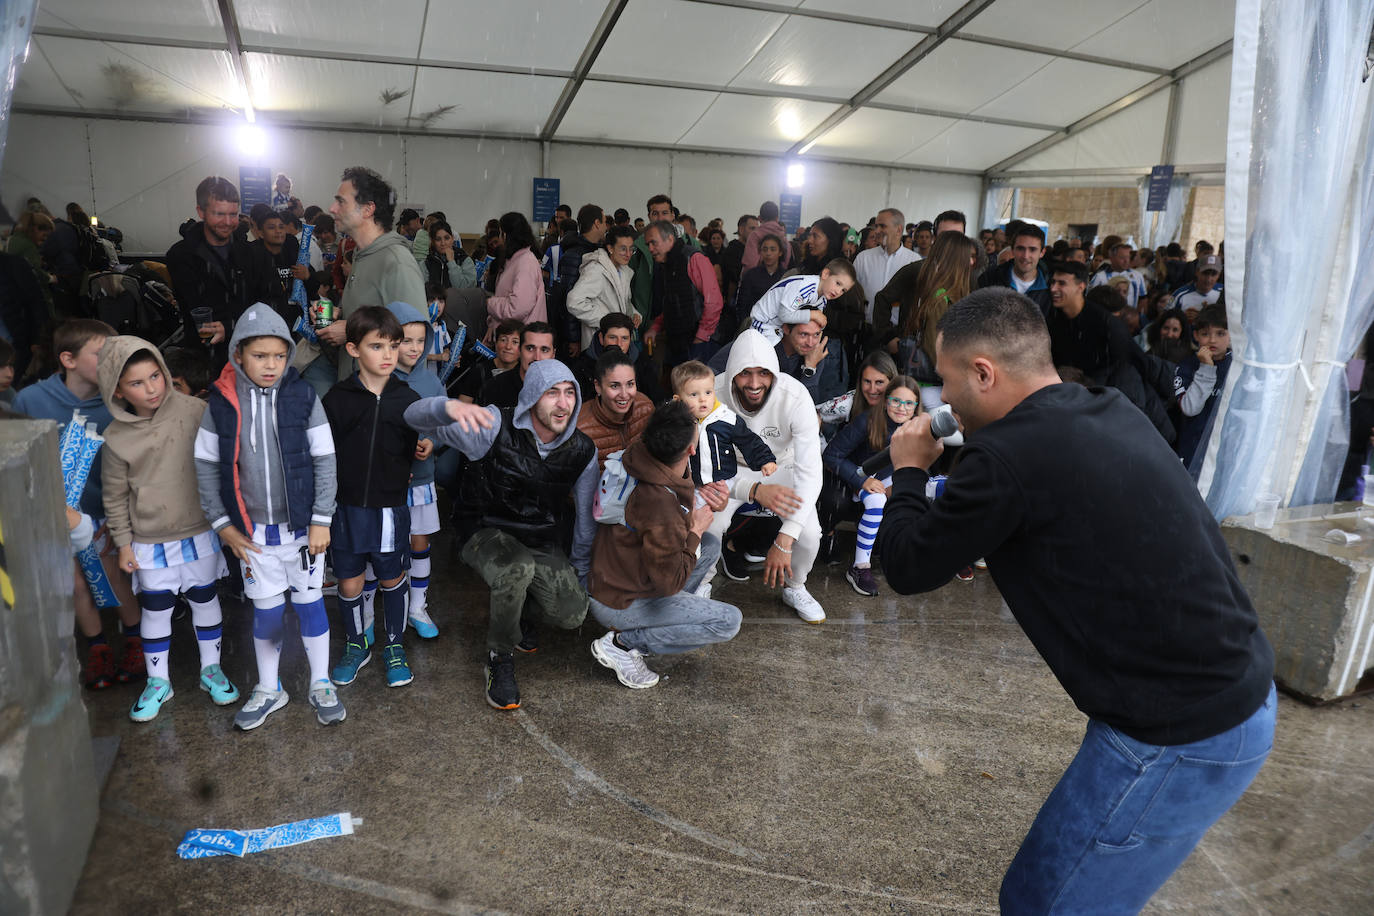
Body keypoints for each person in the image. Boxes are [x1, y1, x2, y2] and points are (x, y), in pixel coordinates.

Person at [875, 287, 1275, 913]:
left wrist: (908, 468)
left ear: (984, 373)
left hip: (1181, 729)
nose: (943, 399)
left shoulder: (1003, 459)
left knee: (1046, 904)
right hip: (1232, 687)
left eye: (948, 382)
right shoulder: (1106, 405)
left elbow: (903, 564)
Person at [404, 359, 598, 711]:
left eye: (570, 393)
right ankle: (499, 657)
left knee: (572, 613)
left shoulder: (583, 449)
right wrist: (445, 405)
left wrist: (580, 571)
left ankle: (518, 608)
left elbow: (586, 519)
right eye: (552, 392)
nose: (563, 403)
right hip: (484, 528)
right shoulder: (493, 425)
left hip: (537, 538)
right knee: (515, 568)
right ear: (531, 397)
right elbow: (413, 418)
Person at [193, 306, 343, 730]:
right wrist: (224, 526)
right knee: (267, 612)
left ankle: (320, 681)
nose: (271, 365)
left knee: (312, 604)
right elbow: (205, 466)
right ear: (239, 354)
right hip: (253, 532)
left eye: (279, 356)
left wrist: (321, 519)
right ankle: (269, 687)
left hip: (303, 531)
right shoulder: (221, 402)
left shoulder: (303, 395)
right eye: (260, 356)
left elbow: (325, 459)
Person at [98, 336, 239, 722]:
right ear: (118, 390)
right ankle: (159, 681)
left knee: (205, 599)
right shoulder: (115, 437)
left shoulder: (196, 411)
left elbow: (223, 465)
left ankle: (211, 669)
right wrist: (124, 545)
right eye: (137, 383)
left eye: (156, 376)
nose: (151, 388)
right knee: (156, 609)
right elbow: (114, 497)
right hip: (148, 541)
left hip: (200, 531)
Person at [15, 319, 144, 688]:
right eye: (102, 354)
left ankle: (135, 640)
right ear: (68, 360)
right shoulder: (31, 400)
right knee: (75, 584)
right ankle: (98, 649)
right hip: (53, 515)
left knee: (115, 580)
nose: (112, 360)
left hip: (107, 514)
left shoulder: (121, 399)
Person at [586, 399, 743, 688]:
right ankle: (623, 645)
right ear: (691, 451)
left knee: (709, 546)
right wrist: (693, 528)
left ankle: (670, 616)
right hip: (620, 602)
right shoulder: (659, 504)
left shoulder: (640, 455)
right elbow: (669, 583)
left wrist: (700, 503)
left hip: (611, 574)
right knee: (728, 620)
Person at [322, 307, 421, 689]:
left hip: (389, 508)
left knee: (391, 576)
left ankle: (394, 646)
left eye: (393, 346)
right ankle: (356, 642)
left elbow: (426, 436)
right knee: (348, 583)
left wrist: (428, 445)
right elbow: (322, 454)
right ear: (352, 349)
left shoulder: (407, 397)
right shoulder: (336, 398)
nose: (387, 355)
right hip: (344, 508)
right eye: (376, 345)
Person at [705, 330, 825, 623]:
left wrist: (784, 539)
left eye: (763, 373)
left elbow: (811, 472)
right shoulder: (712, 394)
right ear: (732, 371)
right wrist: (753, 489)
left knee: (808, 534)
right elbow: (704, 466)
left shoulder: (795, 396)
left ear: (774, 371)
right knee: (709, 521)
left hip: (783, 465)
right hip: (730, 470)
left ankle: (795, 586)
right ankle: (700, 582)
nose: (755, 383)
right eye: (745, 373)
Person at [318, 167, 427, 383]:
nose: (332, 209)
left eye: (341, 202)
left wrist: (350, 330)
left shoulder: (396, 261)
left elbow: (413, 339)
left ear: (367, 209)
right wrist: (338, 315)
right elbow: (380, 313)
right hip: (359, 393)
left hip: (383, 400)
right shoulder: (361, 255)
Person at [165, 176, 284, 371]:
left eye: (233, 214)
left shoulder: (254, 253)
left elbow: (276, 303)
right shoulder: (182, 256)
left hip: (252, 357)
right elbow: (200, 310)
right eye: (219, 214)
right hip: (206, 362)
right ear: (200, 211)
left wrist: (231, 325)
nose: (228, 222)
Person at [823, 375, 920, 597]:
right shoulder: (868, 420)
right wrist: (861, 480)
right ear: (886, 401)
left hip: (894, 478)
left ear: (916, 406)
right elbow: (832, 454)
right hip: (863, 475)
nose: (901, 408)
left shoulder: (919, 427)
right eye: (896, 401)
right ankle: (859, 567)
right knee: (877, 501)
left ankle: (902, 556)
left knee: (926, 493)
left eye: (908, 403)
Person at [887, 230, 978, 419]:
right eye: (967, 257)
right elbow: (934, 346)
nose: (971, 262)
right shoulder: (941, 298)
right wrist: (959, 381)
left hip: (938, 386)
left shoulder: (942, 293)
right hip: (936, 389)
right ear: (956, 260)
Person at [672, 359, 776, 494]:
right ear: (678, 400)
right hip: (690, 483)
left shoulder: (726, 418)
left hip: (724, 482)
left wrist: (765, 460)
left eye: (708, 392)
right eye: (694, 394)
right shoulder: (675, 422)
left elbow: (748, 441)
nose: (703, 399)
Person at [641, 220, 722, 368]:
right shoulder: (666, 265)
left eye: (654, 243)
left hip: (701, 342)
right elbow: (671, 304)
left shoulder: (694, 259)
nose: (650, 249)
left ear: (670, 239)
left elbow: (713, 302)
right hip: (678, 342)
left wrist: (701, 336)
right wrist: (655, 327)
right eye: (648, 245)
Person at [1174, 305, 1232, 473]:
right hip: (1193, 448)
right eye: (1205, 334)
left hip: (1225, 449)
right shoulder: (1186, 367)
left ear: (1231, 335)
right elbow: (1190, 408)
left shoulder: (1237, 366)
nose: (1212, 340)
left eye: (1220, 333)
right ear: (1196, 335)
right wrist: (1206, 368)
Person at [576, 348, 655, 470]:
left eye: (630, 384)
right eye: (615, 386)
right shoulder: (581, 429)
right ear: (598, 386)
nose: (624, 394)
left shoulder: (645, 408)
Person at [747, 262, 854, 347]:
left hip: (779, 328)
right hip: (764, 323)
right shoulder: (804, 287)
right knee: (766, 359)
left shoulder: (823, 299)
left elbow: (816, 323)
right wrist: (813, 315)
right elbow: (784, 315)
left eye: (843, 290)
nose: (838, 291)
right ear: (825, 274)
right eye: (838, 283)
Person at [567, 224, 637, 351]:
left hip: (616, 341)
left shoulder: (624, 270)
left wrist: (634, 314)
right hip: (598, 343)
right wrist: (608, 322)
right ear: (610, 248)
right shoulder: (596, 270)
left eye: (631, 249)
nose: (628, 254)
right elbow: (574, 301)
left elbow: (623, 302)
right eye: (622, 249)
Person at [485, 211, 546, 337]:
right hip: (512, 337)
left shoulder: (526, 263)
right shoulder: (513, 260)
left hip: (524, 341)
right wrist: (493, 323)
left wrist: (490, 303)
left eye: (501, 233)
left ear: (506, 235)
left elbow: (517, 309)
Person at [853, 208, 919, 326]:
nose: (877, 231)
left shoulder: (914, 261)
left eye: (882, 226)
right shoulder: (863, 258)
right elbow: (852, 295)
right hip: (867, 330)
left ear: (898, 230)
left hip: (899, 333)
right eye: (876, 226)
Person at [477, 321, 556, 410]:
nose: (537, 358)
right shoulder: (494, 387)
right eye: (530, 348)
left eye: (544, 350)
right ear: (519, 350)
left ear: (553, 354)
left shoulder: (562, 389)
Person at [978, 224, 1050, 317]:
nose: (1025, 256)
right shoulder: (988, 279)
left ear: (1042, 252)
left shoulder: (1052, 287)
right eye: (1020, 248)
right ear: (1012, 250)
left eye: (1032, 250)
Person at [775, 319, 847, 404]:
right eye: (804, 334)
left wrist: (810, 367)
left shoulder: (815, 354)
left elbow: (808, 405)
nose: (810, 343)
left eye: (816, 334)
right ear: (786, 329)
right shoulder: (770, 349)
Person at [455, 318, 521, 404]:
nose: (508, 346)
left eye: (515, 342)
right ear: (496, 343)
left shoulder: (526, 373)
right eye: (503, 340)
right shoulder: (479, 371)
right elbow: (462, 407)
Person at [6, 209, 54, 316]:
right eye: (44, 235)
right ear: (36, 229)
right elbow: (34, 272)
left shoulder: (12, 239)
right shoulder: (29, 246)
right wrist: (50, 278)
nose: (45, 239)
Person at [732, 233, 787, 321]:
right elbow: (742, 304)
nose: (768, 253)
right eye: (764, 250)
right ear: (760, 252)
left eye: (773, 249)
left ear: (780, 252)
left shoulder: (786, 276)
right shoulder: (751, 275)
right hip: (754, 322)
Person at [1090, 241, 1148, 313]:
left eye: (1128, 257)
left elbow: (1143, 299)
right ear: (1111, 258)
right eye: (1122, 257)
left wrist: (1137, 317)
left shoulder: (1137, 276)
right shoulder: (1100, 277)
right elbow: (1091, 302)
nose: (1126, 260)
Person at [424, 220, 478, 292]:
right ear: (433, 242)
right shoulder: (427, 262)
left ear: (452, 239)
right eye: (438, 239)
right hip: (435, 302)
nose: (443, 243)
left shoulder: (464, 260)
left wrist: (452, 263)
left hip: (459, 302)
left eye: (446, 238)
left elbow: (465, 289)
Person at [740, 201, 793, 273]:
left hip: (757, 281)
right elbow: (786, 263)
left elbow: (750, 264)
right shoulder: (784, 239)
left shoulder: (755, 235)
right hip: (779, 280)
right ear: (777, 218)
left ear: (760, 218)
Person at [1170, 254, 1223, 320]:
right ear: (1197, 272)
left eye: (1213, 274)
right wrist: (1182, 318)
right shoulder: (1179, 295)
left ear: (1219, 275)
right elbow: (1164, 318)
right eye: (1205, 273)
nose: (1209, 279)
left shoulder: (1225, 293)